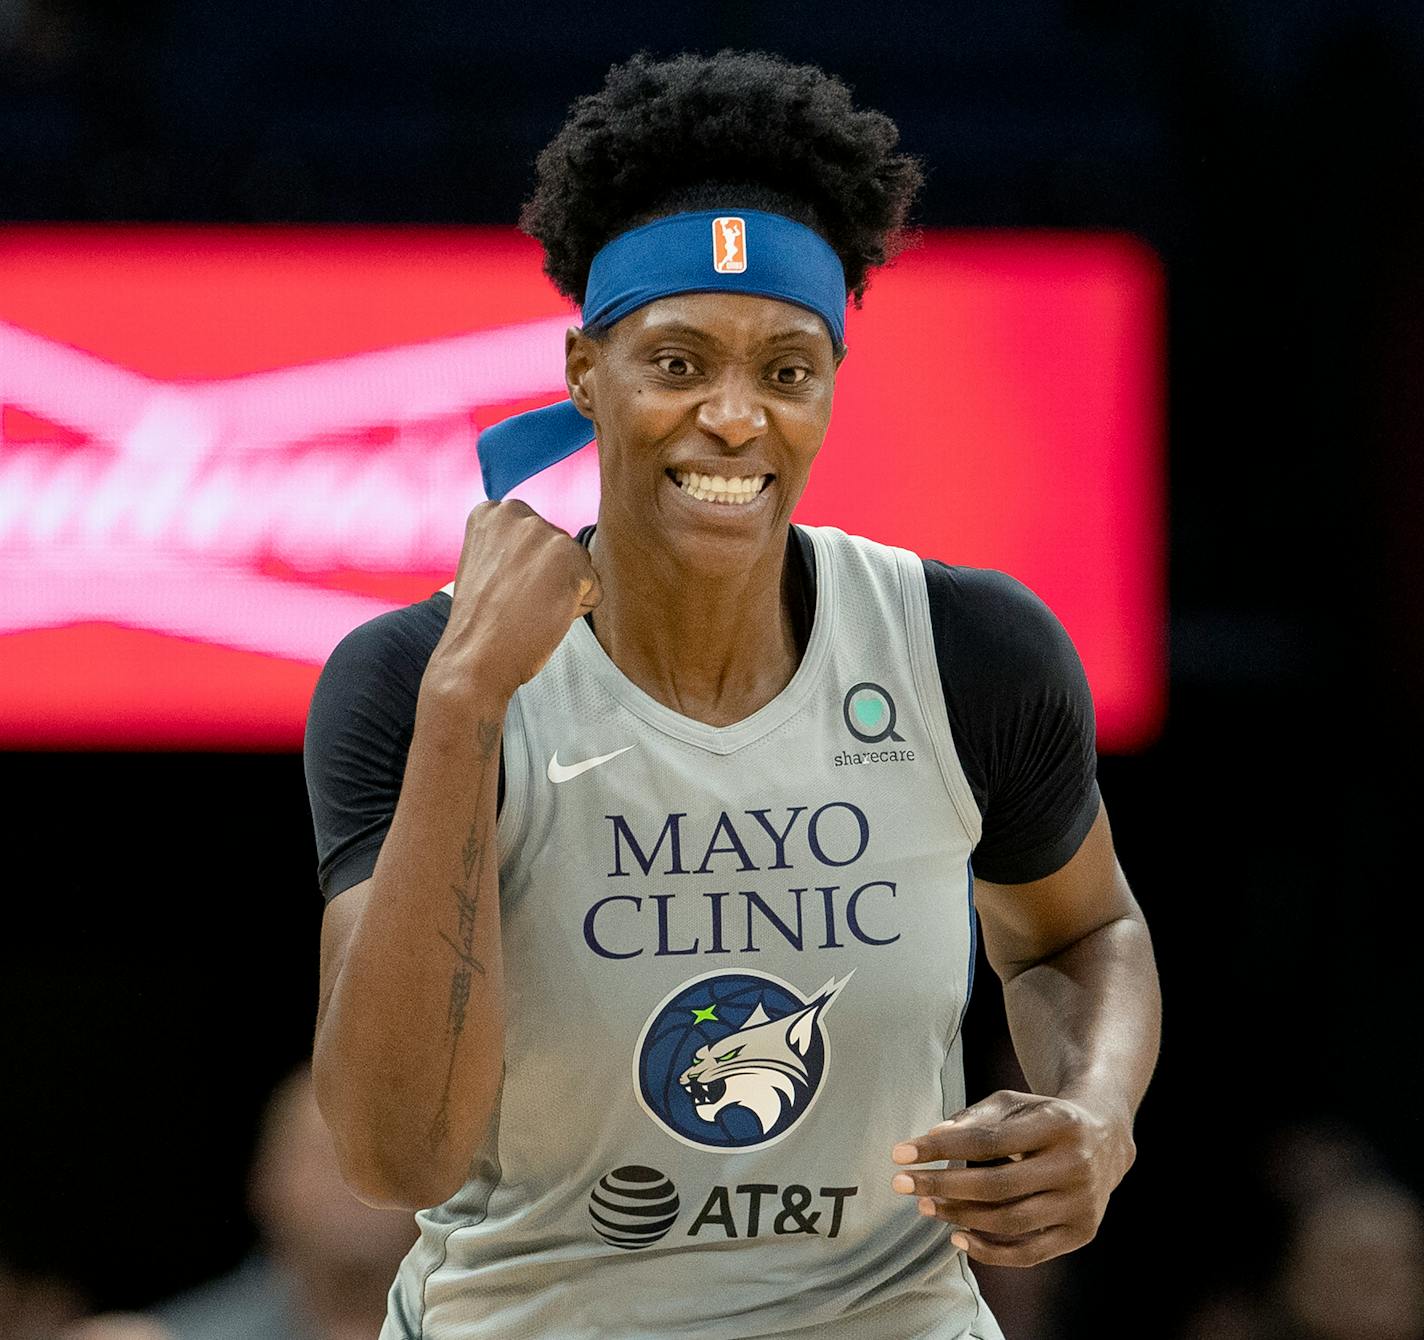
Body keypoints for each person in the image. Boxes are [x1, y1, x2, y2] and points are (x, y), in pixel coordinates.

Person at [304, 49, 1162, 1339]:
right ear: (586, 371)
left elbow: (1081, 935)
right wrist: (468, 703)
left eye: (786, 370)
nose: (734, 417)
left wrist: (1096, 1114)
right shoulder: (416, 678)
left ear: (828, 388)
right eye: (677, 362)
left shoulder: (969, 650)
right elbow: (393, 1155)